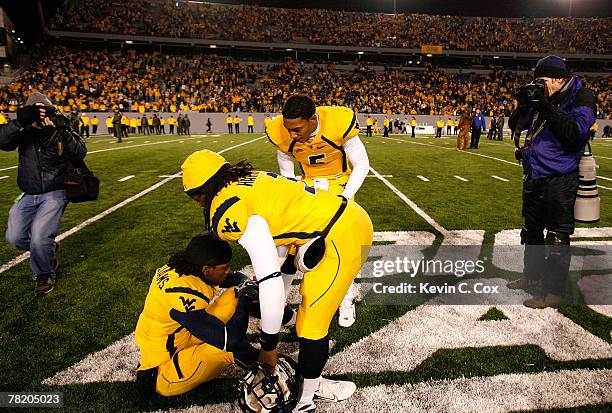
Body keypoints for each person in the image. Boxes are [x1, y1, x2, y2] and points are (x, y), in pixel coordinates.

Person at [181, 149, 373, 412]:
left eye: (196, 197)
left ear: (202, 191)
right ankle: (308, 383)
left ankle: (305, 401)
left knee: (311, 327)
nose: (199, 203)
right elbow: (279, 242)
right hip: (331, 220)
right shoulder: (245, 179)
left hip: (342, 233)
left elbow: (270, 278)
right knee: (295, 296)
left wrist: (268, 347)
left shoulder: (230, 209)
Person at [266, 94, 370, 329]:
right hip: (308, 183)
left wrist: (344, 197)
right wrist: (297, 194)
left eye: (297, 128)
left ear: (313, 119)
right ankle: (276, 303)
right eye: (288, 129)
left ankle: (345, 299)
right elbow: (287, 173)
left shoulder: (337, 121)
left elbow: (362, 165)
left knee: (338, 244)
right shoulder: (281, 132)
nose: (292, 134)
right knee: (289, 242)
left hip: (338, 183)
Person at [507, 55, 596, 309]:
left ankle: (554, 291)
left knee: (557, 235)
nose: (538, 85)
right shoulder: (542, 96)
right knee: (531, 231)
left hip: (561, 176)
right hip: (535, 173)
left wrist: (545, 106)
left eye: (542, 80)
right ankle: (533, 277)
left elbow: (575, 133)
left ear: (559, 79)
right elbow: (516, 125)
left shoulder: (582, 96)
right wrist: (524, 105)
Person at [135, 234, 259, 397]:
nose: (228, 271)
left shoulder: (187, 268)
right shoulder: (181, 294)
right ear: (207, 270)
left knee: (238, 292)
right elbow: (231, 341)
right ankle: (270, 364)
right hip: (163, 369)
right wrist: (246, 297)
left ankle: (289, 318)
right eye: (224, 268)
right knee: (232, 350)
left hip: (180, 337)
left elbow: (235, 278)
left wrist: (247, 286)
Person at [0, 92, 87, 295]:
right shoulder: (23, 130)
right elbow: (3, 141)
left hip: (55, 191)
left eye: (44, 108)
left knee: (39, 236)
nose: (41, 114)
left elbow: (80, 152)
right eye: (36, 109)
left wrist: (61, 130)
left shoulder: (59, 126)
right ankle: (49, 249)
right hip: (28, 192)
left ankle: (44, 274)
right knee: (14, 237)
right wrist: (22, 123)